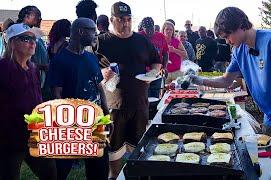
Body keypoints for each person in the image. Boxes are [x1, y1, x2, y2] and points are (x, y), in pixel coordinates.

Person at [190, 7, 271, 180]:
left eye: (227, 36)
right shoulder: (239, 50)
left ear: (241, 26)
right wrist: (200, 80)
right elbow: (226, 80)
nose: (227, 42)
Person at [96, 2, 161, 179]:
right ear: (111, 20)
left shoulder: (141, 40)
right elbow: (90, 67)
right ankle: (113, 176)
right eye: (120, 19)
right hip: (113, 106)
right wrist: (101, 72)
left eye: (128, 19)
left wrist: (154, 72)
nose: (125, 23)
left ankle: (137, 175)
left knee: (138, 150)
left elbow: (156, 60)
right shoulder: (101, 41)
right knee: (114, 152)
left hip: (139, 104)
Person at [47, 18, 110, 180]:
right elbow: (56, 94)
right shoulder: (60, 60)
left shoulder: (91, 57)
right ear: (80, 31)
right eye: (92, 30)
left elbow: (99, 87)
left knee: (99, 170)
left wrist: (106, 114)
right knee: (61, 171)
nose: (95, 34)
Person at [0, 23, 57, 180]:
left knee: (50, 174)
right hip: (9, 139)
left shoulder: (32, 68)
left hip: (34, 135)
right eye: (26, 38)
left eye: (34, 39)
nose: (33, 42)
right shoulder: (3, 68)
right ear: (12, 43)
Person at [17, 6, 49, 90]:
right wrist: (44, 66)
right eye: (37, 16)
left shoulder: (37, 37)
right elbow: (18, 63)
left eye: (40, 16)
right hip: (27, 84)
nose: (40, 19)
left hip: (38, 84)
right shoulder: (21, 36)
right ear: (26, 17)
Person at [139, 17, 169, 98]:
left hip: (157, 72)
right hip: (143, 74)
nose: (149, 31)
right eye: (147, 29)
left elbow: (165, 53)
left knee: (156, 97)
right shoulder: (138, 37)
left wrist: (165, 67)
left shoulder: (161, 36)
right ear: (143, 28)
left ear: (154, 26)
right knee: (145, 97)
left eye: (151, 28)